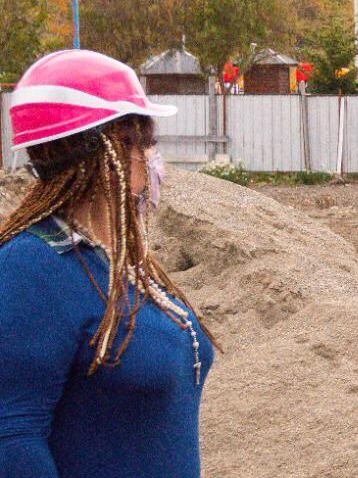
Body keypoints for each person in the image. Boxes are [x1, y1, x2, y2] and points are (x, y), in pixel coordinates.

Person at [0, 50, 218, 477]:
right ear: (102, 150)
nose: (152, 160)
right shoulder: (29, 269)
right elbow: (13, 438)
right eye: (141, 143)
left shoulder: (120, 262)